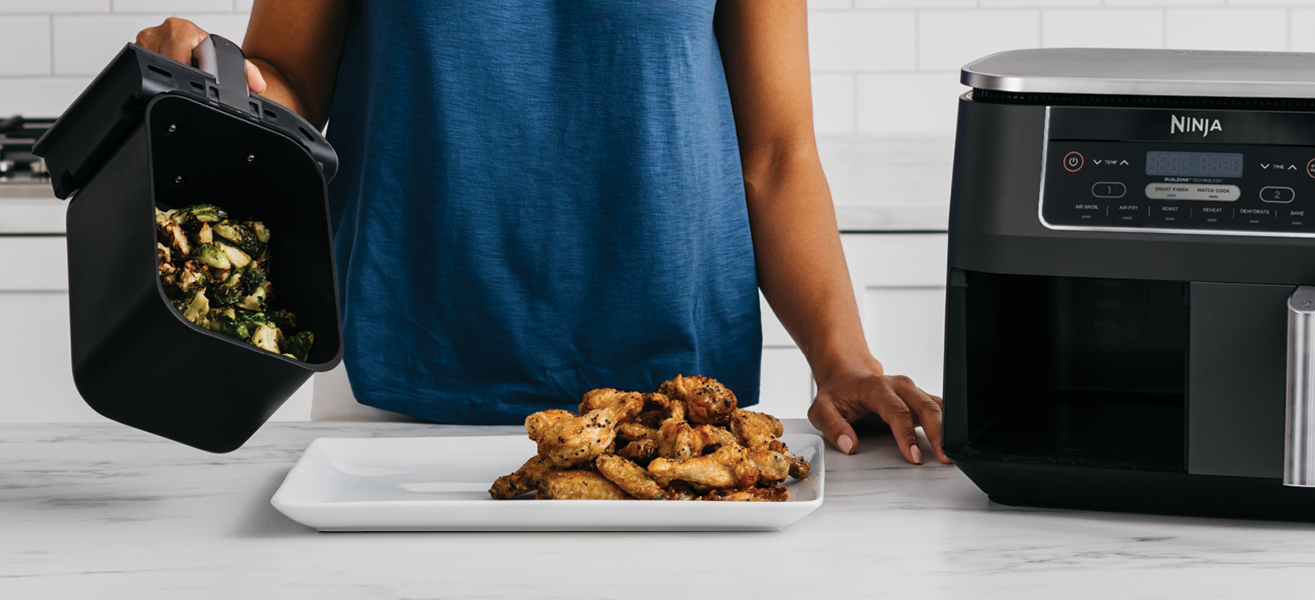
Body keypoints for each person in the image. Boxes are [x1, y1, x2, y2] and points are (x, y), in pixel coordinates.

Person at [135, 1, 950, 465]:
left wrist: (844, 359)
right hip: (399, 391)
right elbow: (290, 83)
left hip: (672, 425)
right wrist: (211, 68)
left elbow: (773, 154)